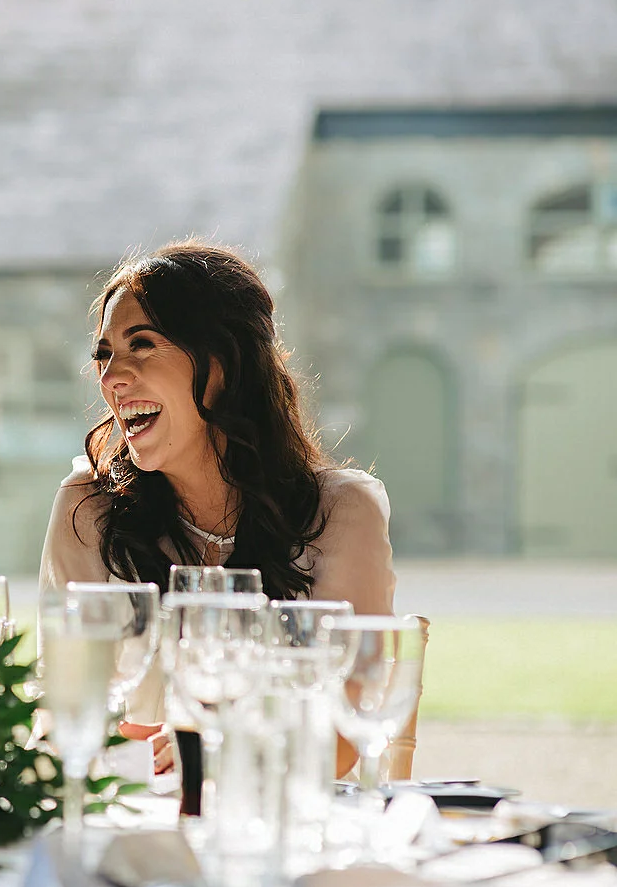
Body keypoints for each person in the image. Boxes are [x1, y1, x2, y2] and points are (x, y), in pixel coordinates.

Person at [39, 241, 395, 775]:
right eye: (105, 354)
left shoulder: (343, 512)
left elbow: (348, 727)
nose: (112, 377)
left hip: (284, 828)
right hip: (134, 823)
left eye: (143, 345)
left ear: (223, 361)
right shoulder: (88, 508)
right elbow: (61, 709)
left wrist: (226, 747)